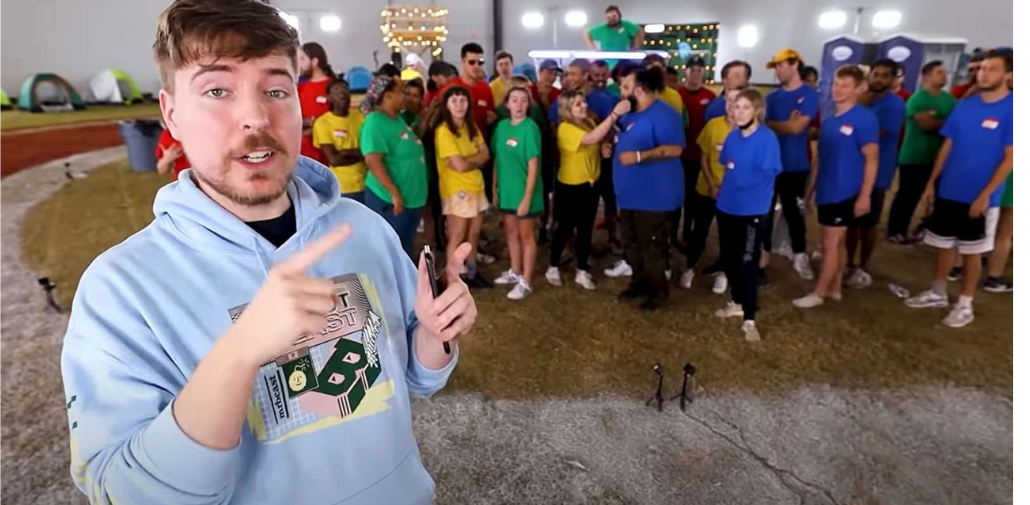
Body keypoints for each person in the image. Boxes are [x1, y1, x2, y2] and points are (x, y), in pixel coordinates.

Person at [61, 2, 477, 504]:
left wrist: (433, 336)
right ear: (171, 113)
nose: (256, 116)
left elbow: (415, 380)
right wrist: (240, 353)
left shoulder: (364, 230)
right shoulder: (120, 289)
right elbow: (122, 490)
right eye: (218, 91)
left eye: (276, 90)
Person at [905, 50, 1013, 328]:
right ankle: (937, 293)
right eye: (982, 69)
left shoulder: (1014, 109)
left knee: (971, 251)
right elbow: (948, 145)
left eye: (992, 69)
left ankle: (965, 304)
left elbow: (1011, 158)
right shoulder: (965, 106)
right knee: (943, 244)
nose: (983, 74)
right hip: (949, 190)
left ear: (1009, 75)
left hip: (980, 197)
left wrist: (986, 194)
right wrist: (932, 182)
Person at [793, 65, 879, 309]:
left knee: (830, 244)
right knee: (836, 242)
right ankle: (835, 287)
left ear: (858, 89)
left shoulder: (864, 119)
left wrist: (865, 196)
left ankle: (819, 292)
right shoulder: (830, 121)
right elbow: (820, 159)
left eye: (845, 85)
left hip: (845, 192)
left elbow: (872, 159)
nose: (838, 90)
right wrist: (810, 191)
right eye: (836, 84)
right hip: (827, 191)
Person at [612, 66, 686, 311]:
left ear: (639, 90)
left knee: (652, 247)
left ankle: (658, 292)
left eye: (625, 86)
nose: (621, 90)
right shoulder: (629, 115)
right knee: (632, 244)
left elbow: (675, 149)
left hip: (655, 197)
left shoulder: (666, 115)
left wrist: (639, 156)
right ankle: (639, 282)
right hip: (629, 195)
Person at [713, 89, 783, 341]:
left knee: (747, 263)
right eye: (736, 107)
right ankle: (737, 301)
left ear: (757, 111)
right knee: (730, 260)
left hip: (751, 211)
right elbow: (728, 166)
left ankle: (750, 318)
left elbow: (769, 174)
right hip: (727, 208)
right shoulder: (733, 136)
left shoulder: (767, 139)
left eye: (745, 107)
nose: (739, 112)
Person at [545, 90, 630, 290]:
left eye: (583, 102)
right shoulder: (565, 128)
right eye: (577, 104)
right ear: (567, 109)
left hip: (591, 184)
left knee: (586, 228)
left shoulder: (589, 122)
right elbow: (591, 139)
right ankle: (553, 266)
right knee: (565, 227)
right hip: (571, 185)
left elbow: (597, 141)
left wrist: (603, 148)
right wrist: (614, 115)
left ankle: (582, 270)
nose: (583, 106)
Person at [844, 59, 905, 288]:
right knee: (851, 221)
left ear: (892, 79)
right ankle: (849, 263)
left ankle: (864, 266)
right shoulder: (864, 101)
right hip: (854, 171)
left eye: (884, 75)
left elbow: (872, 136)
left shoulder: (894, 105)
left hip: (877, 174)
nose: (878, 79)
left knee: (868, 224)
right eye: (876, 74)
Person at [763, 48, 820, 281]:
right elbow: (764, 126)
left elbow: (797, 128)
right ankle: (763, 256)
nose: (777, 71)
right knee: (764, 213)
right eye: (775, 67)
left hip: (795, 165)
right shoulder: (771, 98)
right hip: (770, 165)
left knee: (794, 212)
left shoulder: (809, 94)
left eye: (780, 65)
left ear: (794, 64)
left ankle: (799, 254)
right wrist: (783, 125)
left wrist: (774, 124)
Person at [887, 60, 957, 243]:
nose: (944, 76)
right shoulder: (917, 99)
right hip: (914, 156)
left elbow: (956, 126)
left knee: (937, 197)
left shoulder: (950, 100)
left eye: (944, 72)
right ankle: (896, 230)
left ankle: (926, 230)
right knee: (907, 196)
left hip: (939, 158)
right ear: (926, 76)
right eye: (939, 72)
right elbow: (927, 125)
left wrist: (940, 122)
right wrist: (947, 124)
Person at [431, 85, 492, 288]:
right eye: (454, 101)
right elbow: (460, 165)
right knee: (458, 235)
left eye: (463, 100)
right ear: (447, 105)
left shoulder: (471, 126)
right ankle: (454, 277)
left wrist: (468, 161)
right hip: (456, 190)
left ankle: (471, 272)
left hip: (476, 186)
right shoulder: (443, 131)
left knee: (474, 234)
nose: (459, 105)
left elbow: (486, 154)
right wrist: (474, 160)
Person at [360, 75, 429, 256]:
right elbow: (373, 161)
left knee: (404, 248)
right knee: (389, 250)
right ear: (387, 96)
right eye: (401, 92)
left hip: (410, 198)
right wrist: (394, 193)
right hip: (390, 201)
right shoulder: (375, 122)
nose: (405, 97)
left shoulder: (397, 119)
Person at [682, 88, 739, 293]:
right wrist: (712, 184)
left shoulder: (748, 131)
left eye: (737, 101)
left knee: (728, 235)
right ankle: (690, 267)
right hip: (707, 189)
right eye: (728, 100)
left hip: (732, 194)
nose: (732, 106)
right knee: (699, 231)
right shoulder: (713, 125)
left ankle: (724, 273)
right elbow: (704, 157)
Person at [492, 86, 544, 300]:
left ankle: (527, 280)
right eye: (514, 100)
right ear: (507, 104)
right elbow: (498, 159)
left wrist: (527, 198)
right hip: (507, 191)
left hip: (525, 193)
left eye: (524, 100)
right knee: (511, 232)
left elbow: (533, 166)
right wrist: (495, 187)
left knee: (526, 236)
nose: (519, 105)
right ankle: (515, 270)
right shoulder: (501, 127)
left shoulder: (530, 128)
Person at [677, 55, 717, 259]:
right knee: (680, 196)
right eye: (691, 69)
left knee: (696, 198)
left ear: (704, 72)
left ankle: (692, 233)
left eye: (698, 70)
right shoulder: (677, 94)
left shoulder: (710, 97)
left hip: (700, 155)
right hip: (680, 155)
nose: (695, 73)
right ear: (686, 71)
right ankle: (678, 233)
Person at [313, 80, 366, 203]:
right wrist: (362, 155)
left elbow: (370, 151)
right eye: (337, 91)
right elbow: (335, 160)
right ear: (329, 98)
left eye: (345, 90)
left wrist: (345, 152)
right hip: (344, 187)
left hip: (366, 183)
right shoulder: (323, 123)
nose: (342, 95)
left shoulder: (360, 117)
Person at [297, 42, 334, 165]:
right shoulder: (300, 88)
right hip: (304, 153)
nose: (299, 63)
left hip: (327, 153)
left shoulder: (335, 87)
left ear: (314, 61)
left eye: (302, 59)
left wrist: (314, 126)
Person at [984, 172, 1013, 292]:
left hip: (988, 179)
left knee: (975, 225)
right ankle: (994, 277)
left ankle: (957, 268)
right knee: (1004, 235)